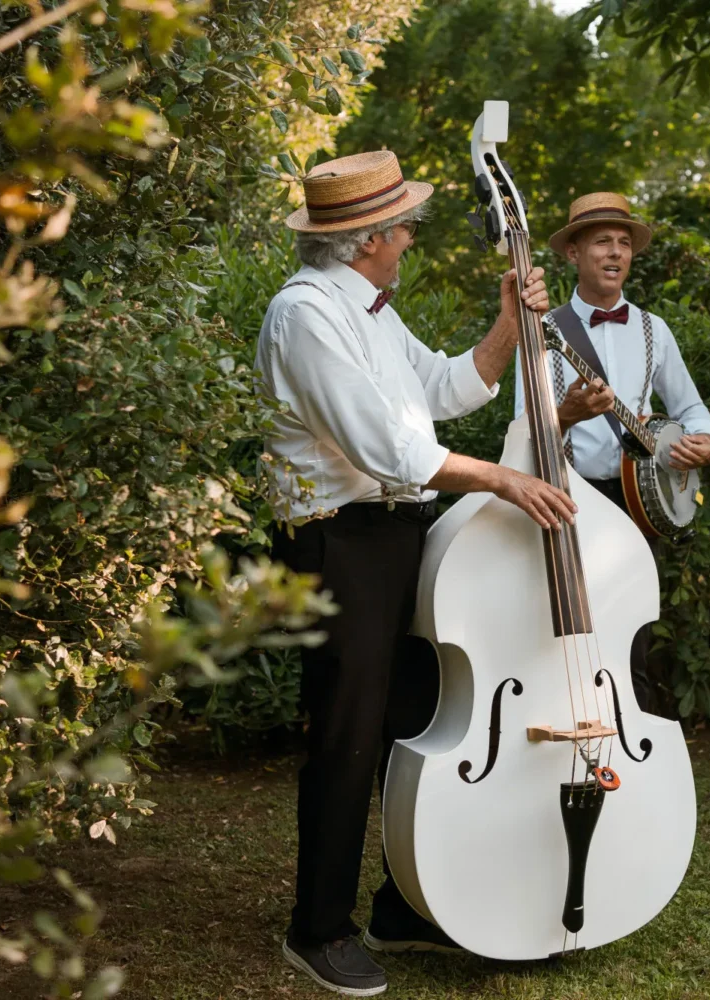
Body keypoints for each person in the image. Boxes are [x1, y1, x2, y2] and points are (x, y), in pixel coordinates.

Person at [255, 150, 574, 997]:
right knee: (346, 735)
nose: (409, 240)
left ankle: (404, 906)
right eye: (402, 229)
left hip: (396, 533)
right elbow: (386, 449)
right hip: (337, 542)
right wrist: (504, 477)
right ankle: (316, 930)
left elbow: (441, 388)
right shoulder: (306, 315)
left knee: (414, 725)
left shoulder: (371, 309)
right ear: (366, 241)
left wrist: (509, 321)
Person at [515, 192, 710, 711]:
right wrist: (566, 414)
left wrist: (705, 443)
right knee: (569, 642)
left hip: (638, 506)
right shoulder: (540, 331)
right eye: (602, 242)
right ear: (573, 254)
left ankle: (636, 757)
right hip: (571, 501)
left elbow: (693, 409)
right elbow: (523, 427)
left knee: (634, 640)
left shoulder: (654, 330)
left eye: (624, 243)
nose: (615, 253)